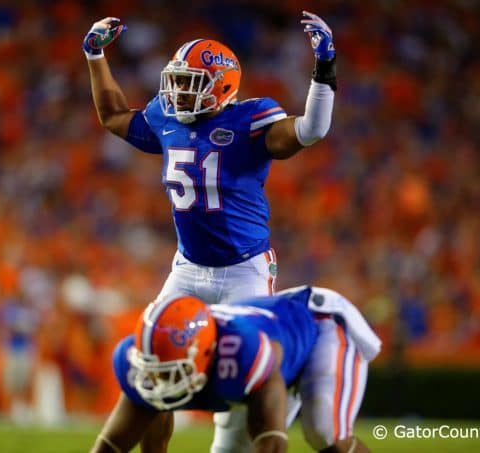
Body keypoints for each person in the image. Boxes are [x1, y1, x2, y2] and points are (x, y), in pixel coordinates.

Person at [83, 10, 338, 451]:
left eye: (190, 82)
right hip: (187, 269)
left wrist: (324, 68)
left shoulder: (250, 121)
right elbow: (112, 116)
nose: (178, 91)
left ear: (221, 86)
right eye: (177, 81)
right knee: (152, 371)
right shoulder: (166, 116)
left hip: (244, 273)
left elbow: (312, 129)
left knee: (242, 389)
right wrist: (94, 55)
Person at [88, 286, 381, 453]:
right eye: (155, 369)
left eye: (171, 370)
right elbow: (111, 444)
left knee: (324, 431)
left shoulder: (241, 354)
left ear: (204, 355)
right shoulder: (141, 360)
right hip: (269, 338)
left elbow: (272, 442)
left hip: (322, 325)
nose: (159, 380)